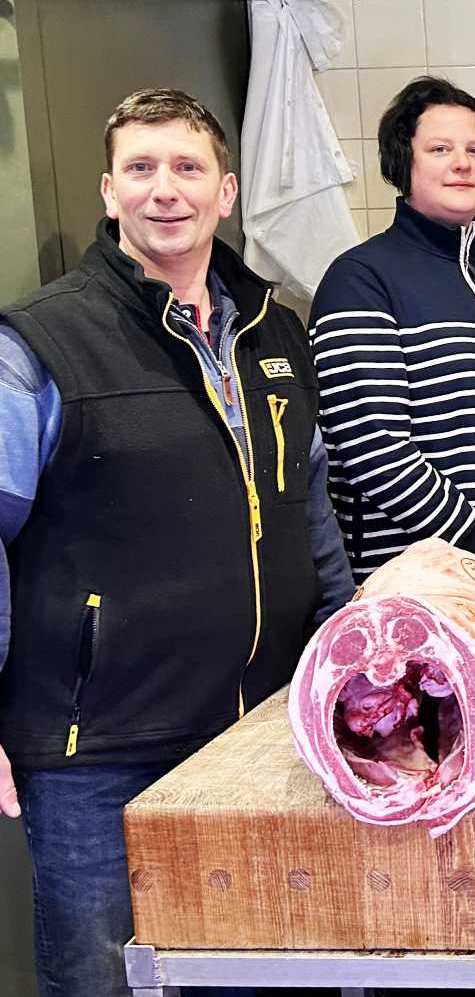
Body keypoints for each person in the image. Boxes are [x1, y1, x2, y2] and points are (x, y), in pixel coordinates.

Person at [0, 89, 355, 997]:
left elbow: (306, 498)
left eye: (188, 167)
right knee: (102, 983)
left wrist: (350, 646)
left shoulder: (277, 329)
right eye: (143, 169)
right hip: (98, 752)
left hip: (259, 735)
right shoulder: (40, 341)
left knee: (264, 975)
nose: (167, 190)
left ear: (226, 191)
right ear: (109, 190)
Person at [311, 77, 475, 585]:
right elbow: (373, 447)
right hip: (409, 586)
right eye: (440, 149)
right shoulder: (358, 279)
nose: (462, 163)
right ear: (404, 162)